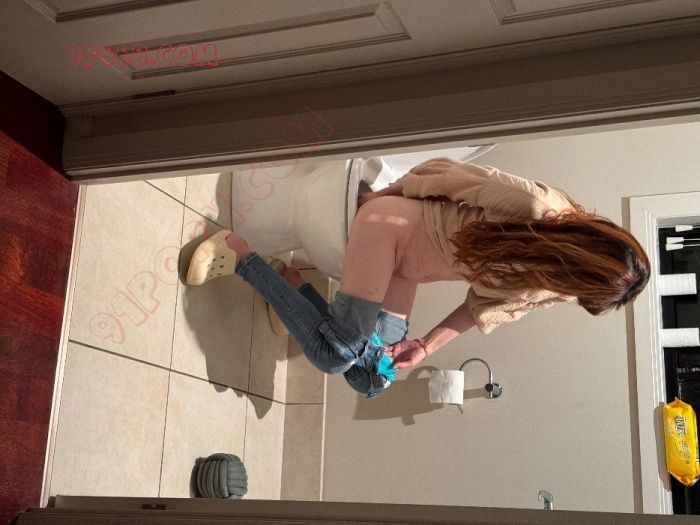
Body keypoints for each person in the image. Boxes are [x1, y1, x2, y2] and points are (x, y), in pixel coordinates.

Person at [184, 157, 650, 399]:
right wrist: (381, 196)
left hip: (404, 271)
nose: (572, 295)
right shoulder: (535, 209)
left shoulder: (557, 288)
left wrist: (425, 346)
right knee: (334, 354)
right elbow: (446, 176)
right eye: (581, 288)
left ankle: (293, 286)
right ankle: (240, 255)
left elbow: (478, 309)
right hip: (390, 227)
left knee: (372, 379)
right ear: (583, 258)